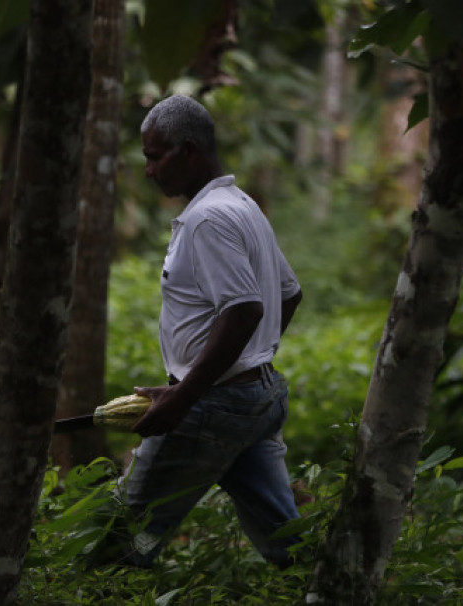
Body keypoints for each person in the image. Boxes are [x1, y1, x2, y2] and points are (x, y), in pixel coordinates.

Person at [120, 95, 303, 569]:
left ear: (190, 151)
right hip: (254, 398)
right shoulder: (242, 206)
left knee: (123, 533)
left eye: (154, 156)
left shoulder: (208, 219)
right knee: (287, 539)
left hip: (212, 406)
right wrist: (251, 362)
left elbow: (243, 310)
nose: (148, 170)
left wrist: (184, 398)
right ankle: (327, 585)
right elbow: (289, 293)